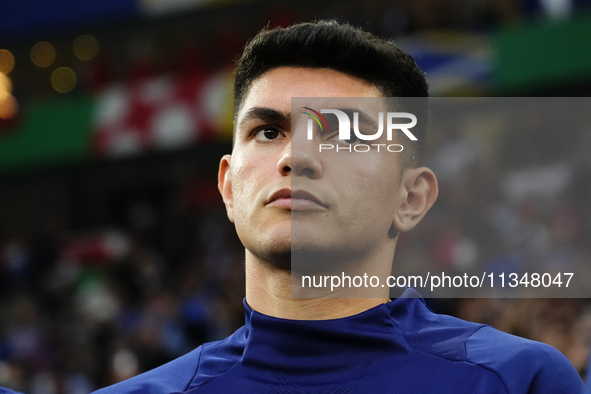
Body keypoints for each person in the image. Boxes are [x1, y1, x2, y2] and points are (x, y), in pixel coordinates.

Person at [93, 20, 585, 393]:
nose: (296, 156)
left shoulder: (519, 381)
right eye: (268, 132)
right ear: (227, 186)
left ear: (411, 199)